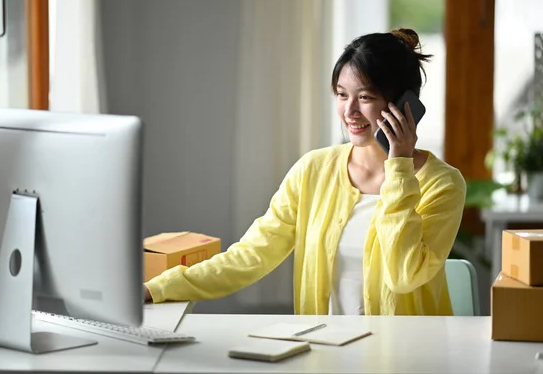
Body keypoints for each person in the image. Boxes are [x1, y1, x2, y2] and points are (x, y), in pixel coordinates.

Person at [144, 28, 466, 315]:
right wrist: (157, 289)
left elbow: (404, 274)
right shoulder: (313, 170)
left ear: (405, 105)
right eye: (341, 95)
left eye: (365, 97)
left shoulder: (443, 184)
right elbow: (251, 255)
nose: (349, 111)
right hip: (324, 356)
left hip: (409, 360)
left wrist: (399, 167)